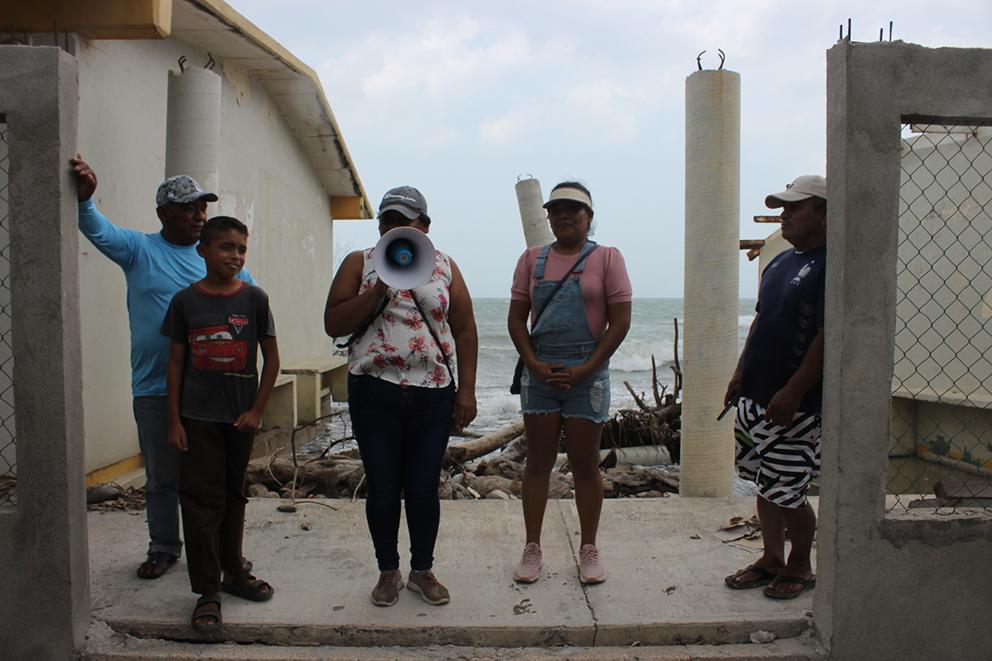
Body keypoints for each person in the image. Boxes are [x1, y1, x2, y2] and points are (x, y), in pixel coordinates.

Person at [70, 156, 256, 580]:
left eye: (202, 206)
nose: (198, 214)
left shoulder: (214, 258)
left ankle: (219, 555)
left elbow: (250, 306)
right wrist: (85, 201)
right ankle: (164, 547)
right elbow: (98, 229)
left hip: (210, 391)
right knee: (161, 477)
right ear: (163, 214)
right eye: (188, 207)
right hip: (155, 386)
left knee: (214, 481)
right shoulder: (139, 250)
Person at [323, 186, 478, 607]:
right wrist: (376, 292)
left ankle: (422, 570)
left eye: (404, 219)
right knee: (384, 488)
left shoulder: (445, 266)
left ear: (424, 227)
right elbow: (333, 322)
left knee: (424, 488)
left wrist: (467, 391)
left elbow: (464, 329)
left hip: (433, 393)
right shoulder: (361, 262)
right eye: (387, 219)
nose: (394, 226)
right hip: (374, 391)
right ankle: (388, 571)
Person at [507, 181, 632, 585]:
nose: (563, 216)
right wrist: (534, 365)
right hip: (540, 374)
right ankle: (532, 548)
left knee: (585, 466)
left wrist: (588, 367)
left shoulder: (608, 259)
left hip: (588, 372)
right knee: (538, 464)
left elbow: (620, 321)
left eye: (573, 210)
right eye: (556, 209)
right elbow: (516, 321)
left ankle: (589, 548)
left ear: (589, 217)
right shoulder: (531, 260)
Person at [162, 215, 279, 632]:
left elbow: (272, 361)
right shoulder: (185, 302)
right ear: (203, 251)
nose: (235, 255)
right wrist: (174, 421)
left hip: (239, 423)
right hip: (196, 419)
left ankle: (234, 572)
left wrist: (256, 411)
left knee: (234, 497)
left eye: (242, 248)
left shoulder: (255, 299)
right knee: (200, 504)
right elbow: (175, 363)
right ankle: (207, 591)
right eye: (226, 247)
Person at [723, 175, 826, 600]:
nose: (783, 215)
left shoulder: (832, 263)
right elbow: (762, 322)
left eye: (794, 207)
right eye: (781, 208)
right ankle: (770, 558)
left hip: (795, 406)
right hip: (754, 398)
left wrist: (794, 390)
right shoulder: (781, 261)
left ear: (823, 211)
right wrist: (738, 373)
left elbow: (828, 333)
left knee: (789, 491)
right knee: (764, 485)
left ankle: (800, 563)